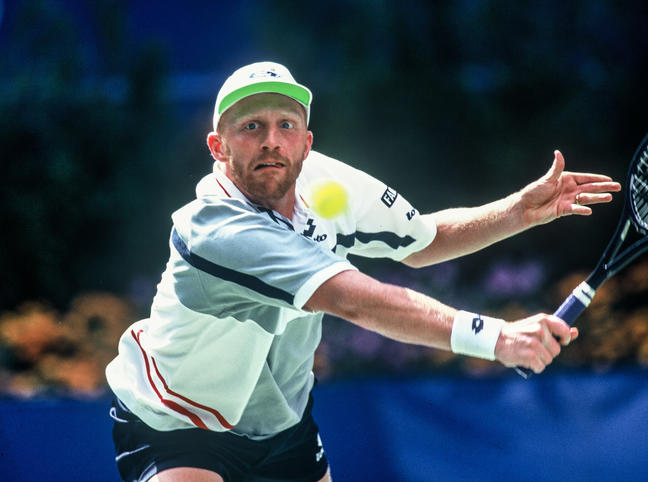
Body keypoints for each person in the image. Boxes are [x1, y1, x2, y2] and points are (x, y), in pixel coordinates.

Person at [106, 61, 621, 482]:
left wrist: (517, 211)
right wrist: (498, 337)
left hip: (281, 426)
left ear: (306, 144)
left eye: (286, 125)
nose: (271, 140)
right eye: (251, 127)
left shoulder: (325, 182)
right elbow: (358, 299)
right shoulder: (218, 230)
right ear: (219, 149)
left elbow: (423, 241)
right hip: (177, 422)